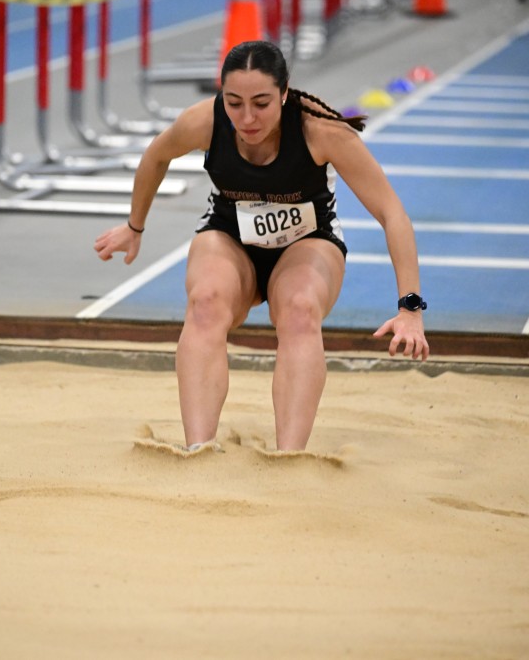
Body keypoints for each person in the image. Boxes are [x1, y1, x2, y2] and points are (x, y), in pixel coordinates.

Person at [94, 40, 429, 452]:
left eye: (261, 103)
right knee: (205, 302)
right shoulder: (205, 121)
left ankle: (289, 457)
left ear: (284, 93)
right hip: (230, 235)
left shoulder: (321, 130)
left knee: (300, 310)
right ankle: (198, 450)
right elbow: (156, 156)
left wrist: (410, 308)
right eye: (234, 103)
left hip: (308, 242)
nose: (247, 118)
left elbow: (393, 214)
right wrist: (135, 225)